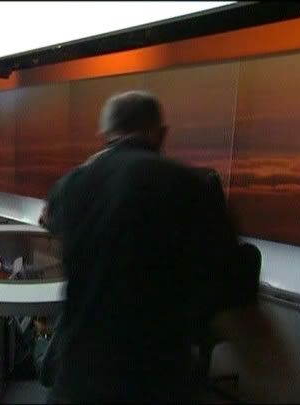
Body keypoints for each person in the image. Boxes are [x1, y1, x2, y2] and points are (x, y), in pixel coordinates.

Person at [39, 91, 254, 403]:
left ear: (105, 134)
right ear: (161, 133)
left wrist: (92, 164)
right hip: (155, 378)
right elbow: (231, 294)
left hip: (79, 375)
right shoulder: (193, 186)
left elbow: (47, 220)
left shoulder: (72, 184)